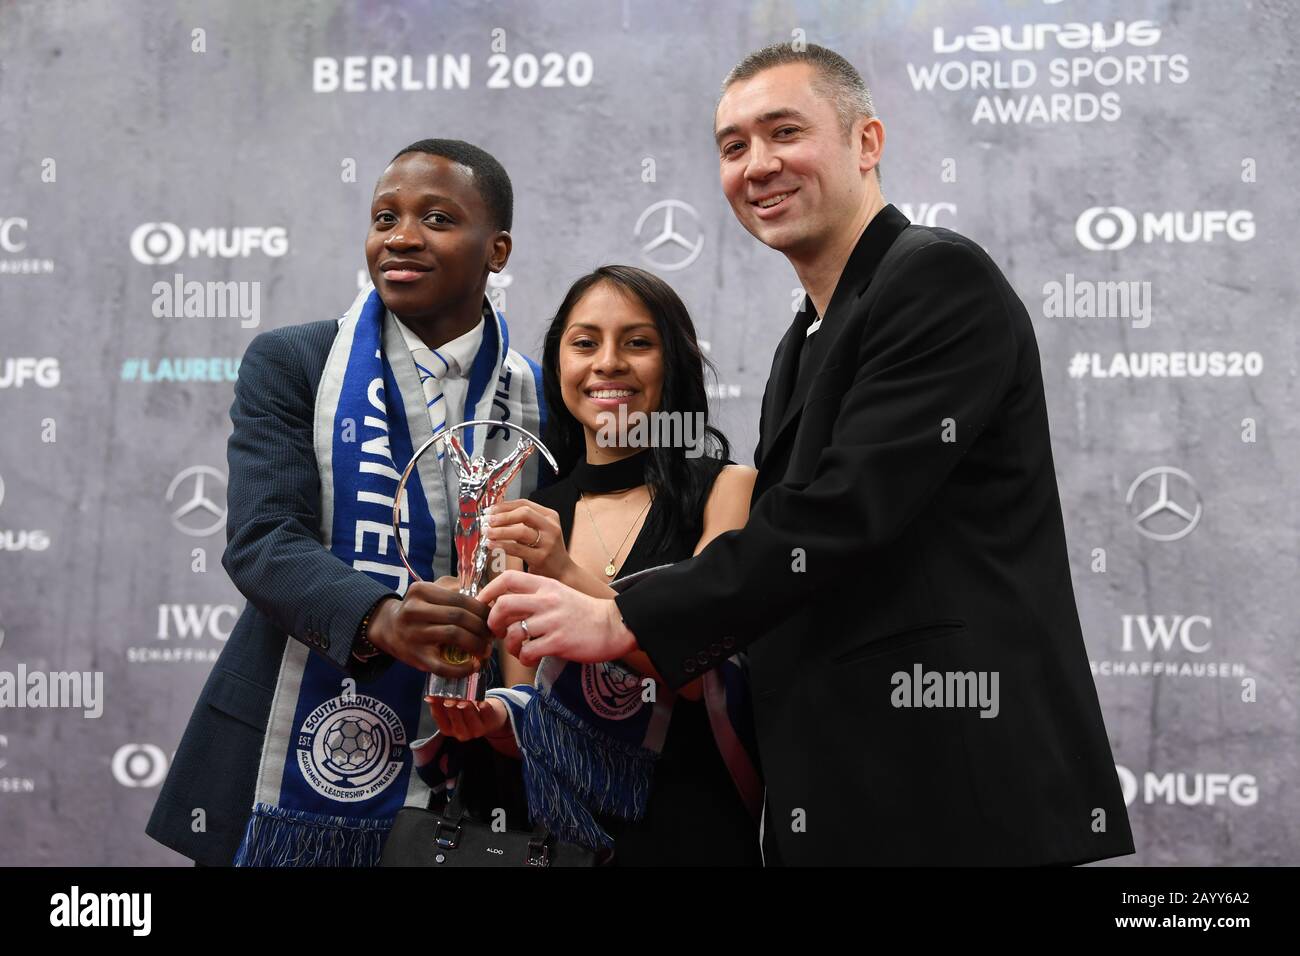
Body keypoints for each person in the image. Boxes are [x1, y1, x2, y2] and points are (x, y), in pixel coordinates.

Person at [476, 44, 1136, 866]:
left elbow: (836, 517)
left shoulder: (936, 279)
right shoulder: (805, 339)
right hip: (844, 797)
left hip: (951, 792)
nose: (759, 165)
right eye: (733, 146)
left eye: (784, 131)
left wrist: (618, 616)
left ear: (867, 142)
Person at [145, 139, 545, 866]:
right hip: (286, 745)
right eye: (384, 216)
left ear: (498, 249)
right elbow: (264, 539)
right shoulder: (295, 361)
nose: (400, 236)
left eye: (437, 218)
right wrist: (382, 619)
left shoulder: (539, 395)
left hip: (471, 763)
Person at [427, 265, 764, 865]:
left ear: (675, 364)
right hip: (561, 844)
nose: (608, 363)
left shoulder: (727, 490)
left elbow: (702, 667)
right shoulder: (528, 518)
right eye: (584, 343)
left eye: (638, 342)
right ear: (559, 368)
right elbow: (531, 715)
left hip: (691, 833)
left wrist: (565, 572)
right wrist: (491, 721)